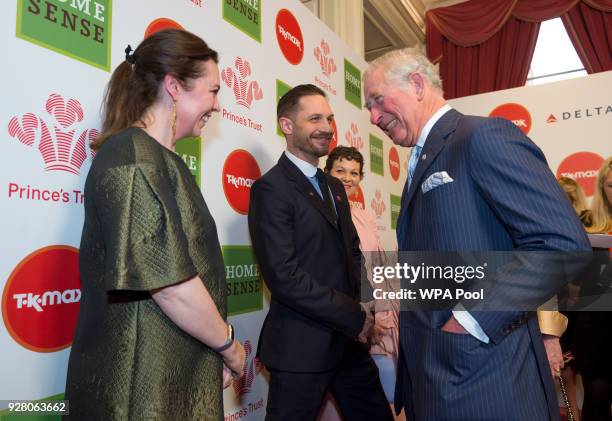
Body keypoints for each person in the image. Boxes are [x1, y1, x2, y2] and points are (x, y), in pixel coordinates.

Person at [363, 48, 591, 421]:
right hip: (435, 378)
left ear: (417, 85)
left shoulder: (481, 137)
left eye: (377, 100)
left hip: (484, 376)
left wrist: (471, 321)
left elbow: (561, 243)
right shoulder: (422, 159)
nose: (373, 117)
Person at [64, 29, 245, 420]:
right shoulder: (133, 157)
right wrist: (229, 346)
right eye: (213, 91)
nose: (217, 104)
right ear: (174, 86)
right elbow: (171, 284)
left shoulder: (161, 160)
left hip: (167, 377)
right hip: (136, 391)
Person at [248, 84, 393, 421]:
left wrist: (367, 306)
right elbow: (284, 277)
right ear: (286, 125)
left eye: (329, 118)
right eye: (314, 118)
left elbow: (353, 253)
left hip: (350, 343)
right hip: (302, 348)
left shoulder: (332, 187)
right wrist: (354, 315)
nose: (326, 127)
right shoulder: (271, 189)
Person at [324, 146, 402, 419]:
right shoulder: (321, 214)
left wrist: (382, 312)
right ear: (327, 172)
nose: (348, 178)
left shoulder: (364, 215)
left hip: (378, 314)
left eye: (354, 173)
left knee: (379, 397)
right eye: (340, 171)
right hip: (342, 319)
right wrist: (364, 316)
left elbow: (376, 268)